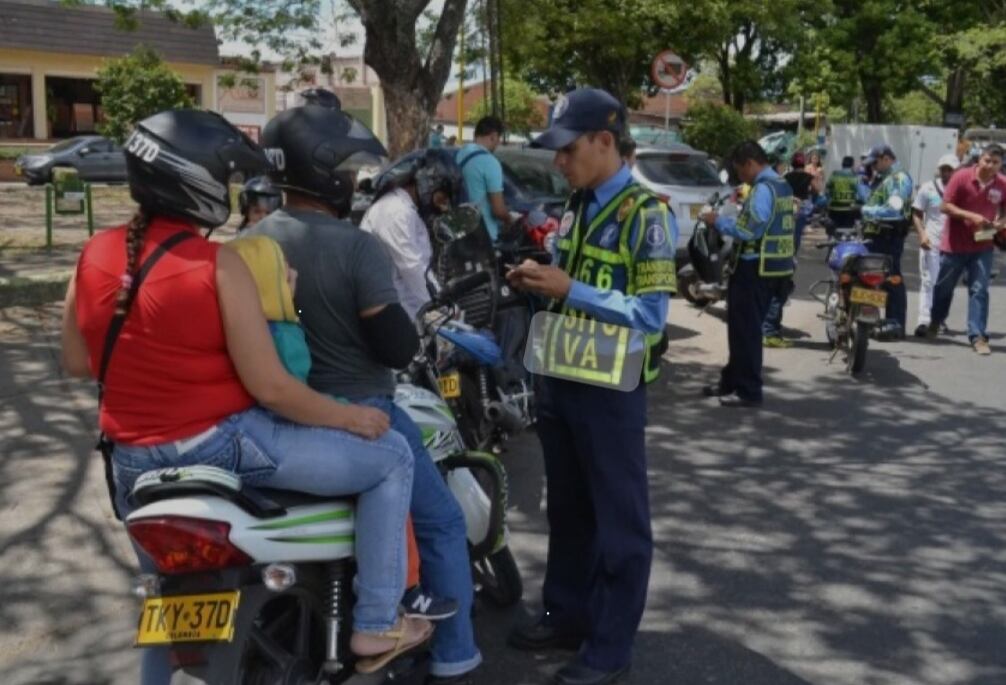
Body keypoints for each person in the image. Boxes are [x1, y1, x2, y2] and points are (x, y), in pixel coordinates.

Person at [60, 109, 430, 683]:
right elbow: (273, 388)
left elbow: (78, 361)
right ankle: (378, 621)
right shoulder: (218, 265)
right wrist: (352, 418)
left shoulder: (92, 256)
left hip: (129, 465)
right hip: (224, 447)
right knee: (392, 461)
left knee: (169, 602)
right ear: (198, 183)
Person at [250, 104, 482, 683]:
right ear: (326, 171)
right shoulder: (355, 248)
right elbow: (398, 347)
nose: (354, 179)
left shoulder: (245, 245)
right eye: (346, 168)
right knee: (444, 522)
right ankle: (455, 656)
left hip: (272, 419)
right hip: (363, 413)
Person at [506, 87, 678, 685]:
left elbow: (652, 315)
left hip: (610, 390)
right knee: (569, 514)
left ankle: (609, 646)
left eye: (569, 149)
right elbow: (570, 276)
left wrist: (570, 290)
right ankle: (566, 613)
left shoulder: (645, 214)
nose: (560, 162)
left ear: (606, 141)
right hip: (563, 376)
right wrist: (537, 278)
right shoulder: (579, 204)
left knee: (619, 524)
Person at [700, 140, 795, 408]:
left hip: (756, 268)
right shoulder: (782, 185)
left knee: (746, 332)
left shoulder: (764, 189)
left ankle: (748, 390)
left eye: (740, 171)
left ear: (751, 163)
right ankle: (730, 382)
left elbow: (751, 230)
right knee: (742, 330)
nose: (740, 177)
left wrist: (717, 221)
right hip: (776, 267)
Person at [928, 144, 1006, 355]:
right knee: (944, 287)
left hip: (983, 245)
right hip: (954, 244)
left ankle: (978, 336)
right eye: (987, 160)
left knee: (979, 289)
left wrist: (1001, 223)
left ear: (1001, 164)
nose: (990, 166)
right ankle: (936, 320)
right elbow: (945, 206)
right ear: (980, 159)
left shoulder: (1002, 184)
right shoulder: (961, 177)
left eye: (996, 163)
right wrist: (970, 216)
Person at [360, 152, 452, 318]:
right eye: (441, 199)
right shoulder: (395, 211)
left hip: (402, 300)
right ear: (428, 185)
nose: (441, 207)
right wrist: (443, 307)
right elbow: (413, 267)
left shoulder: (405, 209)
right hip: (390, 306)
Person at [761, 151, 816, 347]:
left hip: (774, 253)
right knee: (778, 291)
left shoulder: (774, 188)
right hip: (781, 255)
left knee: (774, 291)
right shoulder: (795, 199)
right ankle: (770, 332)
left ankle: (768, 329)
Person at [860, 143, 915, 340]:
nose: (873, 167)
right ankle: (873, 323)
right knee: (872, 277)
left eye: (875, 163)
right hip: (876, 236)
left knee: (892, 279)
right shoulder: (885, 178)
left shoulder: (899, 178)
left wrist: (867, 211)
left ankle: (895, 324)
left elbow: (895, 209)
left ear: (886, 158)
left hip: (888, 237)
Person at [911, 154, 959, 337]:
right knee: (928, 281)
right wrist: (922, 234)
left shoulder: (960, 190)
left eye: (951, 170)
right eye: (944, 169)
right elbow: (916, 213)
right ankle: (924, 321)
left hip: (953, 246)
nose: (947, 173)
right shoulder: (928, 188)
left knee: (944, 285)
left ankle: (938, 318)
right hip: (931, 243)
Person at [456, 116, 511, 241]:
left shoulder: (460, 154)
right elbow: (498, 210)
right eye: (498, 139)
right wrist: (509, 219)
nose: (498, 143)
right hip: (483, 236)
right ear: (493, 136)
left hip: (459, 231)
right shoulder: (490, 162)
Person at [825, 156, 861, 233]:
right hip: (850, 211)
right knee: (849, 232)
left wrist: (829, 200)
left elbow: (827, 189)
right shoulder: (855, 177)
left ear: (842, 164)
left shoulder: (834, 175)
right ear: (852, 165)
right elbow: (860, 194)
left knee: (834, 233)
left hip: (834, 210)